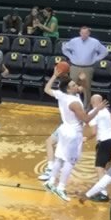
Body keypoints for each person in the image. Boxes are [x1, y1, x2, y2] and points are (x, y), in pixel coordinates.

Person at [42, 70, 87, 199]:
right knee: (70, 161)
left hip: (64, 129)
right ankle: (61, 187)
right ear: (68, 89)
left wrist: (82, 80)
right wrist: (97, 111)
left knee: (60, 158)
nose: (76, 87)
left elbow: (47, 89)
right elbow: (86, 119)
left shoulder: (62, 95)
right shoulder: (71, 100)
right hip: (73, 132)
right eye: (73, 86)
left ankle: (51, 182)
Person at [86, 94, 111, 196]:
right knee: (107, 161)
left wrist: (86, 138)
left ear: (92, 103)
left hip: (105, 142)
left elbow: (93, 132)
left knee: (99, 167)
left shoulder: (92, 113)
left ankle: (103, 192)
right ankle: (108, 178)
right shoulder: (105, 110)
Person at [61, 26, 109, 99]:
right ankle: (70, 103)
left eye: (86, 33)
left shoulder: (95, 42)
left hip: (88, 68)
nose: (84, 34)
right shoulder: (74, 41)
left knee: (86, 88)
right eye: (82, 33)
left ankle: (86, 108)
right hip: (74, 67)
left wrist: (96, 59)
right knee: (71, 86)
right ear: (80, 33)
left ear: (89, 33)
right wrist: (70, 56)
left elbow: (104, 52)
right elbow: (64, 49)